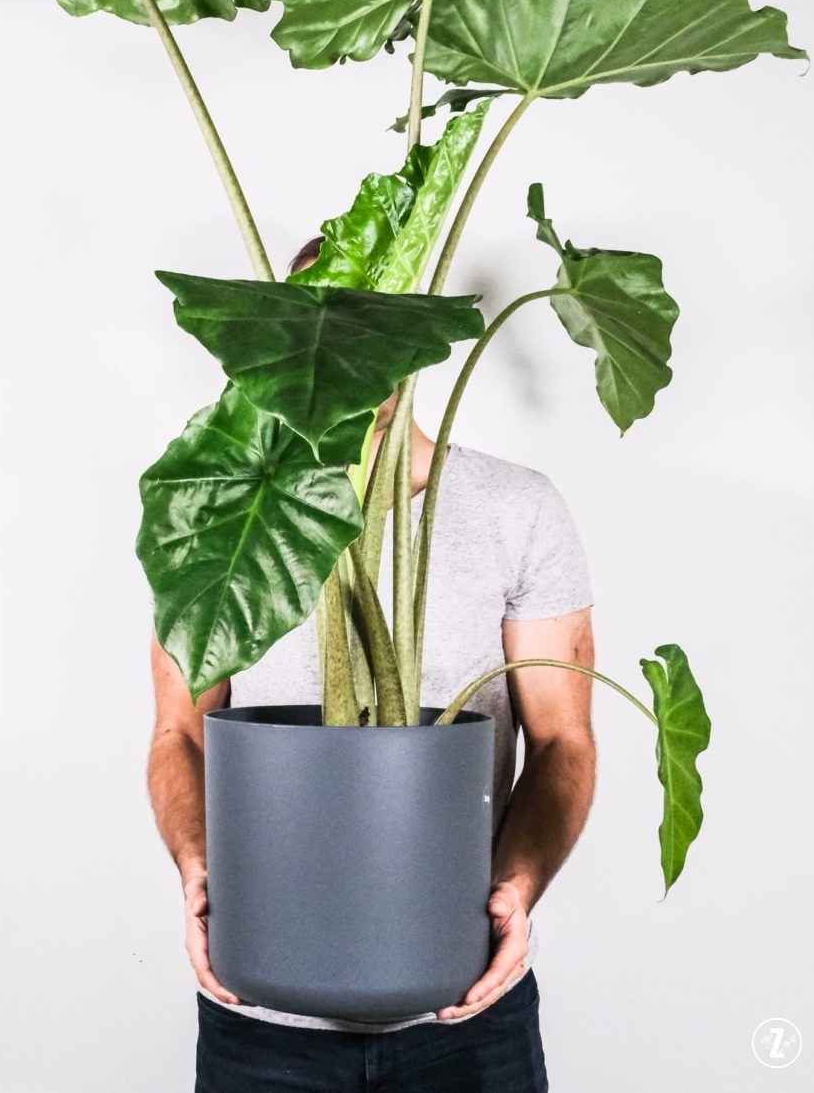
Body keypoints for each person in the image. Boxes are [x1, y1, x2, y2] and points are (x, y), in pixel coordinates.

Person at [147, 237, 597, 1092]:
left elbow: (562, 740)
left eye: (368, 329)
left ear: (412, 334)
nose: (344, 357)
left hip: (466, 1007)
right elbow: (179, 730)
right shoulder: (224, 506)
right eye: (321, 332)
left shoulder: (517, 508)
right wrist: (198, 865)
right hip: (261, 1011)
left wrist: (518, 886)